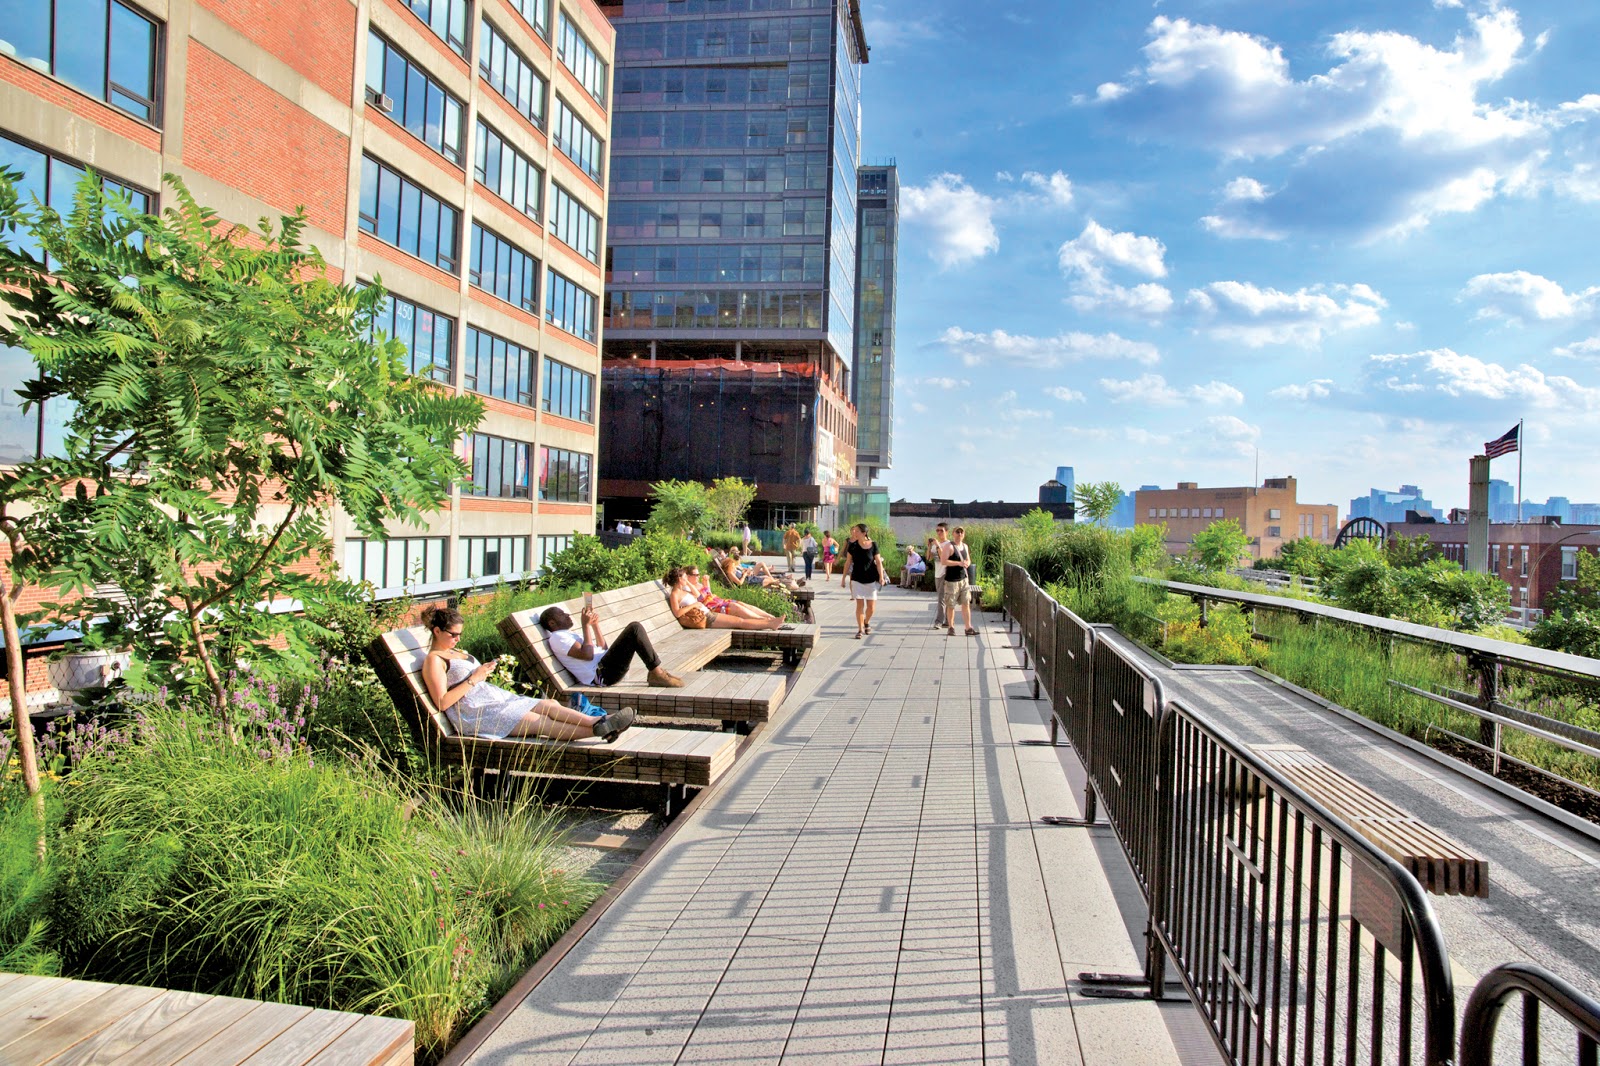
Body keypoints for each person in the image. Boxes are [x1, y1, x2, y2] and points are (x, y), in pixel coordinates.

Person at [421, 606, 635, 742]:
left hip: (494, 700)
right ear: (437, 631)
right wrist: (473, 679)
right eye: (453, 635)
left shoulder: (454, 652)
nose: (458, 639)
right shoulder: (434, 661)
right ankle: (601, 727)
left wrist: (483, 672)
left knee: (549, 705)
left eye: (460, 634)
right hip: (477, 713)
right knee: (539, 721)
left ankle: (601, 721)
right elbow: (442, 702)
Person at [538, 602, 684, 688]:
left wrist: (595, 626)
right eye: (562, 614)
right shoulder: (557, 638)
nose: (567, 615)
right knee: (634, 628)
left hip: (605, 667)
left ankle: (656, 672)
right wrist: (585, 626)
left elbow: (603, 650)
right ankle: (656, 673)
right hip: (602, 675)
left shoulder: (568, 634)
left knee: (634, 628)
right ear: (552, 623)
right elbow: (587, 656)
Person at [665, 566, 785, 630]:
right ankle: (769, 624)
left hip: (708, 614)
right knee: (740, 622)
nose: (686, 579)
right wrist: (694, 605)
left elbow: (698, 595)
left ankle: (770, 622)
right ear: (679, 579)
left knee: (739, 620)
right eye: (685, 577)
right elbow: (677, 613)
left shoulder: (681, 590)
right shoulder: (675, 594)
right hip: (705, 618)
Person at [845, 522, 887, 639]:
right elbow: (848, 562)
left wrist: (881, 577)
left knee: (871, 607)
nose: (854, 533)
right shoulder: (852, 546)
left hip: (871, 579)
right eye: (854, 531)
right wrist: (843, 578)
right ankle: (860, 629)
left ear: (864, 533)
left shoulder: (873, 545)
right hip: (857, 578)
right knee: (859, 605)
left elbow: (878, 562)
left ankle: (866, 622)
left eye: (857, 531)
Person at [940, 526, 977, 637]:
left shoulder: (965, 546)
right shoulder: (949, 546)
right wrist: (958, 563)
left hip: (963, 579)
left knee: (966, 603)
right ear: (953, 534)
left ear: (963, 534)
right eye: (957, 532)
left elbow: (968, 559)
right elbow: (943, 561)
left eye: (961, 532)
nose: (960, 534)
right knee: (951, 605)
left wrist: (967, 563)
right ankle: (951, 627)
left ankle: (968, 627)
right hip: (952, 580)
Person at [929, 522, 951, 627]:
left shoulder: (948, 544)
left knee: (941, 598)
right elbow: (929, 558)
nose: (939, 533)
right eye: (937, 530)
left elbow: (943, 559)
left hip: (945, 573)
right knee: (943, 598)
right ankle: (947, 621)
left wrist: (938, 545)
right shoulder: (935, 545)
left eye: (941, 531)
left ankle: (939, 621)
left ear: (946, 532)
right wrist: (929, 546)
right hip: (937, 573)